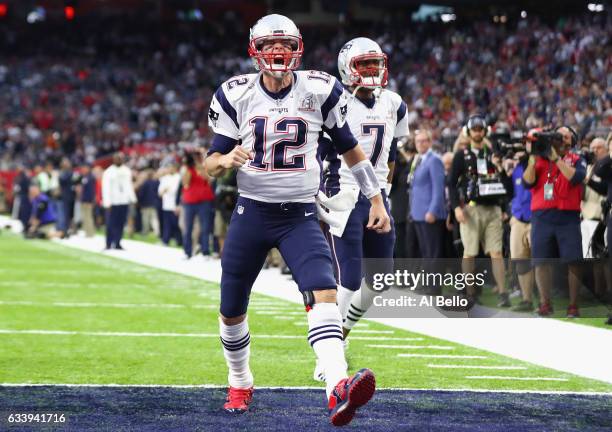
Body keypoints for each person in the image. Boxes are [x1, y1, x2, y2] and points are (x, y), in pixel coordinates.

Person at [204, 15, 388, 426]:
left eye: (285, 43)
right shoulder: (235, 94)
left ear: (297, 48)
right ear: (255, 49)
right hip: (251, 210)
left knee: (324, 292)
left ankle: (337, 387)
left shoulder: (320, 89)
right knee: (231, 308)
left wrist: (375, 198)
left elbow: (351, 150)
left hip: (301, 214)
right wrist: (226, 160)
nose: (278, 51)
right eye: (270, 44)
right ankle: (240, 381)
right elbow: (210, 161)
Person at [315, 37, 407, 383]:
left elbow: (392, 155)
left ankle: (341, 331)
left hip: (377, 196)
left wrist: (382, 195)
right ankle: (330, 355)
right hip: (344, 195)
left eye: (374, 63)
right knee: (349, 279)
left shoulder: (395, 103)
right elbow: (321, 153)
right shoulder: (335, 101)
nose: (370, 70)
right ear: (347, 69)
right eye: (362, 64)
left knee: (381, 279)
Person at [522, 126, 586, 317]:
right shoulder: (539, 159)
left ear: (572, 141)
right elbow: (527, 182)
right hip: (542, 216)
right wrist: (532, 159)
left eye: (565, 135)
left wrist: (556, 159)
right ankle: (545, 303)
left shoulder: (577, 159)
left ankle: (573, 305)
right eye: (558, 134)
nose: (561, 137)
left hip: (568, 216)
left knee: (574, 261)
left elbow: (575, 177)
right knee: (540, 261)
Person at [449, 114, 511, 307]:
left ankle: (503, 293)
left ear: (485, 131)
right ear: (469, 132)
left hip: (492, 207)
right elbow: (450, 183)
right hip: (471, 209)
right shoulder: (462, 155)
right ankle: (469, 293)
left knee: (496, 253)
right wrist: (455, 208)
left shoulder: (494, 153)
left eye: (480, 129)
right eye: (474, 129)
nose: (477, 132)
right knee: (469, 253)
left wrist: (504, 206)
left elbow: (505, 183)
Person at [410, 129, 447, 258]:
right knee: (425, 252)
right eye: (417, 141)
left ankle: (434, 278)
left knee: (433, 254)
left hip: (429, 214)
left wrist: (432, 211)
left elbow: (438, 189)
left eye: (423, 141)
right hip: (418, 213)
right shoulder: (419, 160)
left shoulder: (434, 160)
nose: (420, 144)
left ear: (430, 142)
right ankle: (429, 278)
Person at [180, 151, 214, 258]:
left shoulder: (204, 167)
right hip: (190, 201)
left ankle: (205, 251)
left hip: (204, 200)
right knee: (188, 227)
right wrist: (187, 168)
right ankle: (187, 252)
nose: (195, 159)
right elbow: (185, 183)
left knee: (205, 227)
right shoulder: (187, 169)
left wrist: (199, 167)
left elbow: (208, 179)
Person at [102, 153, 137, 250]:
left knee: (121, 223)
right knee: (110, 223)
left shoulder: (126, 171)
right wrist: (107, 202)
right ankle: (108, 243)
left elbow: (129, 185)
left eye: (120, 159)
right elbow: (105, 188)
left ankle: (117, 242)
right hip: (112, 201)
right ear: (113, 160)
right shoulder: (108, 172)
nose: (119, 160)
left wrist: (133, 198)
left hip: (124, 200)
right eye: (117, 158)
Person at [158, 162, 182, 246]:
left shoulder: (179, 178)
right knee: (166, 224)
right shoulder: (164, 178)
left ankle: (179, 241)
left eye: (172, 168)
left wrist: (167, 190)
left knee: (176, 224)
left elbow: (177, 191)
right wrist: (164, 191)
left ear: (175, 168)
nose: (170, 169)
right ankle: (165, 240)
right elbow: (160, 192)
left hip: (175, 205)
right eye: (169, 168)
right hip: (166, 205)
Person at [78, 164, 96, 237]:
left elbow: (91, 190)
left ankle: (90, 233)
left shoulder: (90, 177)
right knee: (85, 216)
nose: (83, 170)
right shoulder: (85, 177)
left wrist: (90, 200)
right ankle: (86, 232)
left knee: (88, 216)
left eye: (84, 168)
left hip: (88, 200)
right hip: (84, 199)